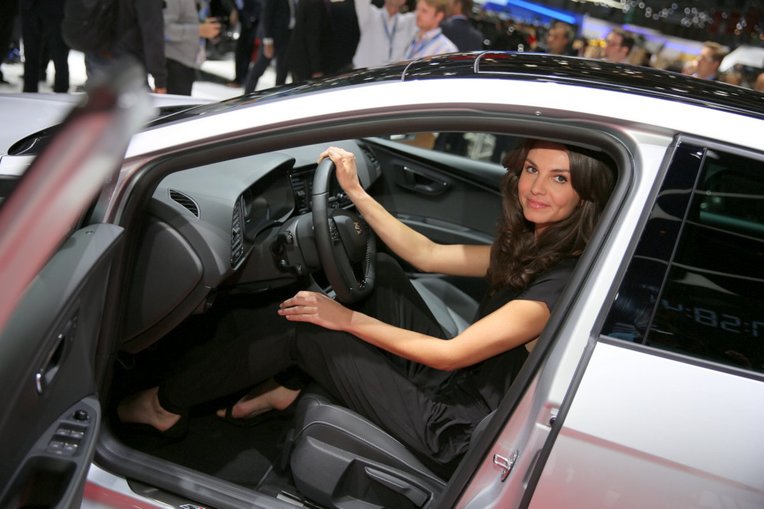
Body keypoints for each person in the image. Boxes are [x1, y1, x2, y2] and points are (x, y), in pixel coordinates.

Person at [117, 138, 614, 473]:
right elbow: (426, 254)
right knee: (389, 278)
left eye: (559, 179)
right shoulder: (536, 247)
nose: (536, 187)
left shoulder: (555, 288)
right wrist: (353, 190)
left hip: (452, 425)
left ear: (586, 195)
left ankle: (164, 405)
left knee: (306, 331)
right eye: (531, 169)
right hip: (459, 383)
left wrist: (344, 319)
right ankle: (287, 390)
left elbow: (450, 353)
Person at [86, 0, 168, 93]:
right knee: (134, 105)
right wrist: (160, 80)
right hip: (127, 60)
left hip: (96, 52)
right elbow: (152, 35)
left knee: (99, 102)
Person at [164, 0, 222, 96]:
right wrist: (199, 30)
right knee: (176, 107)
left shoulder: (203, 3)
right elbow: (165, 30)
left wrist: (206, 27)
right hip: (174, 62)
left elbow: (191, 22)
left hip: (190, 61)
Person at [243, 0, 294, 93]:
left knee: (282, 71)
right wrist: (267, 41)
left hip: (287, 36)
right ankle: (246, 95)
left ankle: (278, 96)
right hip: (272, 38)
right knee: (259, 68)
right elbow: (266, 16)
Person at [20, 0, 70, 93]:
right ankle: (29, 90)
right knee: (30, 51)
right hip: (30, 7)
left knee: (59, 53)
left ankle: (61, 91)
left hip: (55, 8)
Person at [352, 0, 417, 69]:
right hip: (363, 73)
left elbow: (427, 8)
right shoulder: (370, 14)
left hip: (391, 76)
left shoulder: (409, 21)